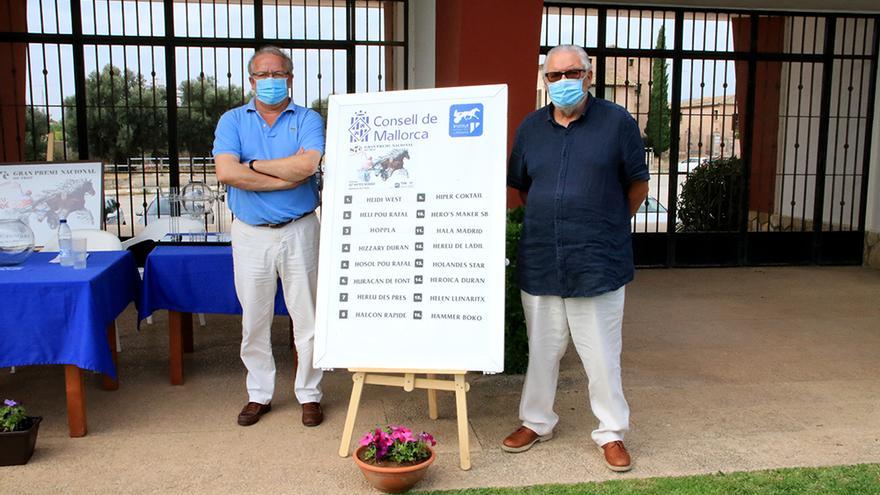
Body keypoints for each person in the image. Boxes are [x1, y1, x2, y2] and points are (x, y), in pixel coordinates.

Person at [503, 44, 650, 472]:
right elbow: (523, 187)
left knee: (602, 354)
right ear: (544, 81)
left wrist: (604, 222)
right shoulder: (531, 128)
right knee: (542, 350)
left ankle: (611, 432)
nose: (563, 82)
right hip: (544, 258)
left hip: (597, 260)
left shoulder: (617, 122)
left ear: (588, 75)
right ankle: (536, 421)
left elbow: (637, 185)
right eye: (554, 76)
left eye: (572, 73)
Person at [213, 46, 326, 428]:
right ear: (251, 80)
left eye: (278, 74)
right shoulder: (232, 120)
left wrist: (255, 167)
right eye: (263, 75)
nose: (271, 81)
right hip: (250, 235)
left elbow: (308, 164)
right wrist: (285, 177)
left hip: (300, 230)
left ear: (291, 78)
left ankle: (309, 394)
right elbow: (227, 173)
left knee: (307, 318)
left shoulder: (309, 118)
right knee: (254, 319)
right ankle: (258, 393)